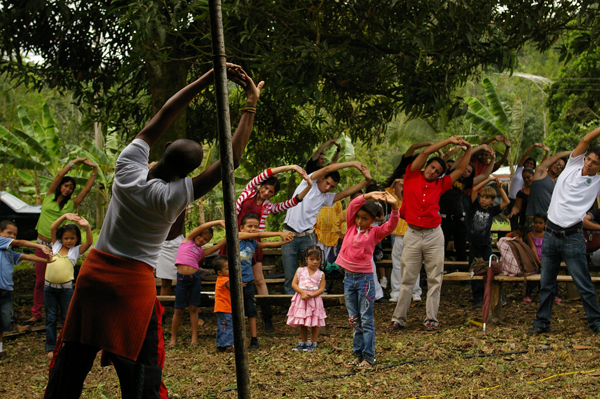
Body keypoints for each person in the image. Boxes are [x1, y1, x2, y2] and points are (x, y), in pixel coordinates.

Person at [44, 64, 263, 399]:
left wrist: (208, 76)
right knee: (141, 366)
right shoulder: (174, 196)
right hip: (132, 285)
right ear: (187, 175)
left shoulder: (127, 167)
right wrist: (250, 104)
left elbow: (166, 111)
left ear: (164, 149)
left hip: (94, 274)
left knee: (73, 356)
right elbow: (231, 158)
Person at [389, 136, 472, 333]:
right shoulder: (411, 175)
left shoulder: (440, 185)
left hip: (434, 234)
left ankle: (431, 319)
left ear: (440, 175)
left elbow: (460, 170)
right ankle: (398, 318)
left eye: (437, 171)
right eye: (432, 167)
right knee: (407, 277)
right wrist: (449, 141)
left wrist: (469, 148)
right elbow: (426, 152)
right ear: (426, 166)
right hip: (413, 233)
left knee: (435, 278)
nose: (433, 171)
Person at [528, 126, 600, 336]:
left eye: (595, 163)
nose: (589, 164)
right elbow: (586, 139)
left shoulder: (596, 182)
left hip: (573, 237)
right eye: (589, 160)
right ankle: (542, 323)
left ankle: (595, 323)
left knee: (583, 283)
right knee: (546, 283)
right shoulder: (572, 164)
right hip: (550, 234)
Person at [234, 165, 312, 332]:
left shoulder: (268, 206)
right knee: (232, 279)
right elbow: (267, 172)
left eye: (271, 192)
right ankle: (233, 318)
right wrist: (292, 167)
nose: (266, 193)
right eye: (265, 188)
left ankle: (266, 318)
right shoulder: (248, 191)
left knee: (259, 280)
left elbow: (292, 202)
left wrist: (309, 186)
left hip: (254, 244)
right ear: (261, 186)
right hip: (235, 240)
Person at [281, 161, 372, 295]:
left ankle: (313, 303)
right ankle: (292, 307)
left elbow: (346, 193)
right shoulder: (308, 183)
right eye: (327, 183)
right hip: (289, 234)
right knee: (290, 274)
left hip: (308, 235)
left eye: (332, 187)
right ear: (322, 178)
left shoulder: (325, 197)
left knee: (313, 271)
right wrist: (352, 163)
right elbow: (327, 168)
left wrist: (367, 180)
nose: (328, 188)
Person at [27, 157, 98, 325]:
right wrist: (75, 161)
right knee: (40, 281)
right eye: (66, 186)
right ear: (60, 187)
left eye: (71, 188)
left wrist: (94, 170)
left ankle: (61, 313)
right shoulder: (49, 196)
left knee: (59, 278)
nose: (68, 189)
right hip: (41, 244)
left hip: (57, 247)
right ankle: (36, 313)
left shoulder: (71, 204)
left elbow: (86, 190)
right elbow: (60, 174)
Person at [338, 191, 399, 368]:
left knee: (366, 319)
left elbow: (391, 225)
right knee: (354, 318)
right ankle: (357, 354)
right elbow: (352, 207)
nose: (359, 221)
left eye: (364, 219)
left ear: (372, 220)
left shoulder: (375, 232)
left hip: (365, 280)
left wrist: (394, 206)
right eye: (358, 217)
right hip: (348, 279)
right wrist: (368, 196)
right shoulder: (350, 226)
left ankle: (369, 356)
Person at [238, 214, 294, 349]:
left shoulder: (253, 243)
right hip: (234, 282)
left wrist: (283, 242)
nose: (253, 229)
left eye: (256, 227)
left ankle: (254, 339)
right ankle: (234, 338)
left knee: (251, 311)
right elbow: (263, 236)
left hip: (248, 281)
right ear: (241, 228)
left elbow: (267, 244)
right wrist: (279, 233)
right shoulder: (238, 237)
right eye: (249, 226)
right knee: (234, 311)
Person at [0, 220, 53, 360]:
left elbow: (28, 256)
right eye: (8, 233)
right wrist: (40, 246)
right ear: (0, 233)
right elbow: (20, 243)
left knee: (2, 322)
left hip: (7, 290)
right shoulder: (0, 242)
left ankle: (0, 350)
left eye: (14, 234)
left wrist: (49, 261)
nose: (12, 236)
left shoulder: (10, 253)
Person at [170, 220, 227, 347]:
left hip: (195, 278)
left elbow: (216, 247)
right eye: (201, 236)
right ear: (196, 234)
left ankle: (194, 338)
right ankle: (173, 338)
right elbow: (201, 226)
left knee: (194, 308)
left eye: (206, 240)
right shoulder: (187, 241)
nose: (202, 240)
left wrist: (228, 236)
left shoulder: (201, 252)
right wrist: (217, 222)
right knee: (179, 309)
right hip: (182, 280)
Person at [45, 213, 93, 358]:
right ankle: (51, 347)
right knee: (51, 317)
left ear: (77, 239)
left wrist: (87, 227)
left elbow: (89, 242)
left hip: (66, 289)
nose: (69, 241)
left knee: (67, 317)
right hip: (49, 288)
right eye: (66, 238)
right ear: (61, 238)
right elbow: (53, 227)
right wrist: (65, 216)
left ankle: (66, 344)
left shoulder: (75, 251)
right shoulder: (56, 245)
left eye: (72, 238)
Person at [440, 144, 496, 262]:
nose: (466, 171)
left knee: (461, 248)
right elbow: (463, 157)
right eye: (465, 168)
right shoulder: (451, 175)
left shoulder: (467, 183)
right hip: (444, 217)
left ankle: (463, 275)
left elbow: (484, 175)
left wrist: (493, 160)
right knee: (441, 247)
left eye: (469, 171)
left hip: (459, 218)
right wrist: (480, 148)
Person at [468, 176, 510, 305]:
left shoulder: (492, 210)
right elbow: (474, 189)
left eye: (487, 198)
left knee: (492, 268)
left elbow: (506, 201)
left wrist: (500, 187)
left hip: (486, 244)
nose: (483, 200)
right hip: (474, 244)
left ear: (492, 200)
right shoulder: (475, 206)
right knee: (475, 270)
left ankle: (498, 296)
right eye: (482, 197)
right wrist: (489, 179)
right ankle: (478, 297)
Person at [386, 179, 421, 303]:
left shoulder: (417, 202)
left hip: (413, 236)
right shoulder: (397, 202)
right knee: (397, 265)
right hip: (399, 237)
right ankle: (396, 292)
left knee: (413, 264)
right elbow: (388, 193)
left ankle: (415, 292)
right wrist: (394, 183)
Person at [287, 245, 327, 352]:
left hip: (314, 300)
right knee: (303, 322)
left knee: (314, 322)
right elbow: (294, 284)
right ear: (306, 259)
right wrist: (302, 293)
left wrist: (311, 295)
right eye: (312, 259)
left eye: (317, 259)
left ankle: (312, 343)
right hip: (302, 299)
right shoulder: (300, 270)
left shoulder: (321, 274)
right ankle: (303, 342)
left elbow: (322, 288)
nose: (315, 262)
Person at [524, 150, 571, 235]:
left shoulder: (557, 182)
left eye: (561, 166)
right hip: (533, 218)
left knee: (545, 247)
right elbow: (556, 155)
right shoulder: (541, 173)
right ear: (552, 162)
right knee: (529, 247)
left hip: (548, 221)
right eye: (557, 163)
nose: (558, 166)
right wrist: (574, 152)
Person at [508, 143, 549, 231]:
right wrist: (533, 146)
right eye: (528, 163)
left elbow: (543, 165)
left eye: (531, 164)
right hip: (514, 199)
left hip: (527, 200)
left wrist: (547, 153)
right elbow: (524, 155)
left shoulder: (534, 177)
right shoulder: (519, 170)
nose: (529, 165)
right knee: (515, 227)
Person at [524, 213, 556, 303]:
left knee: (551, 275)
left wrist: (545, 261)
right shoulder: (530, 235)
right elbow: (533, 248)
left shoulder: (548, 235)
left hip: (546, 259)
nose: (538, 225)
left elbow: (549, 249)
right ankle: (527, 294)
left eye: (540, 223)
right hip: (534, 259)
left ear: (545, 224)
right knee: (532, 276)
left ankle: (555, 295)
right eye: (536, 222)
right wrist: (538, 261)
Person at [156, 211, 186, 296]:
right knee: (165, 282)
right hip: (161, 242)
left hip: (176, 241)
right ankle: (162, 308)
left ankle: (184, 307)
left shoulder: (179, 203)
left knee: (185, 278)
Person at [212, 255, 234, 352]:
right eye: (228, 269)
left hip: (222, 308)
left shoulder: (220, 279)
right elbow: (233, 288)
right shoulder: (225, 279)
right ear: (220, 272)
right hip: (225, 308)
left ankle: (220, 344)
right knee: (228, 326)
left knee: (222, 326)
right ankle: (228, 344)